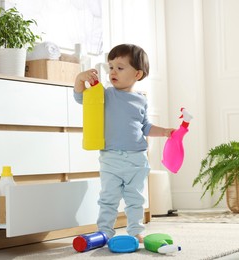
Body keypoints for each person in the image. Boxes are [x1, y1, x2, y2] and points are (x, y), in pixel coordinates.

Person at [73, 43, 173, 243]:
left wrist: (164, 132)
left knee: (135, 199)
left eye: (120, 67)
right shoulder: (105, 94)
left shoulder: (141, 100)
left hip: (137, 159)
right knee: (108, 198)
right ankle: (105, 231)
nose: (112, 72)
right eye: (110, 67)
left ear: (137, 74)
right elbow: (80, 98)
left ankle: (135, 230)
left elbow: (145, 127)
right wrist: (79, 79)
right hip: (110, 158)